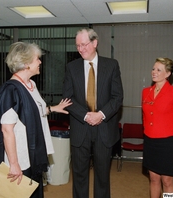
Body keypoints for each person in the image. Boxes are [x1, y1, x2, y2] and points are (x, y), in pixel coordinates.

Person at [0, 42, 72, 198]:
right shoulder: (11, 90)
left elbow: (31, 112)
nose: (40, 62)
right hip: (20, 155)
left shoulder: (31, 85)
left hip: (33, 152)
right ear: (26, 63)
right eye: (37, 59)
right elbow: (6, 129)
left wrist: (52, 108)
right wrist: (14, 164)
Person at [62, 28, 123, 198]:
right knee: (79, 176)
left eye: (84, 44)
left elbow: (117, 97)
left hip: (104, 128)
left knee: (102, 176)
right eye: (77, 46)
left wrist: (101, 114)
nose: (80, 49)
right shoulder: (71, 68)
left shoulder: (111, 65)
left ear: (95, 43)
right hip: (80, 127)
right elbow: (67, 98)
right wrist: (86, 115)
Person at [141, 57, 173, 198]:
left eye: (158, 70)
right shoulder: (146, 92)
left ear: (168, 74)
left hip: (168, 142)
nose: (154, 72)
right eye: (153, 69)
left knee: (167, 180)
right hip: (150, 141)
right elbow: (145, 117)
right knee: (154, 178)